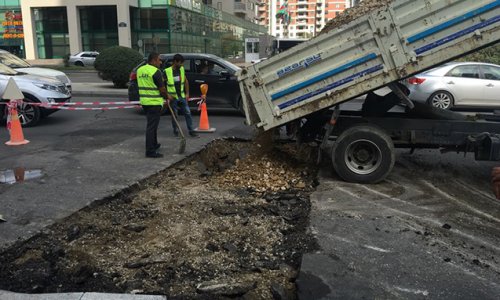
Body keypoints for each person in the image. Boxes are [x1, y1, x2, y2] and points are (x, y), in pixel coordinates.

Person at [137, 52, 168, 158]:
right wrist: (168, 97)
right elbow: (162, 89)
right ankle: (150, 151)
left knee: (152, 126)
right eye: (159, 60)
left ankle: (154, 144)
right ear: (153, 60)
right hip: (154, 103)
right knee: (151, 127)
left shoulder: (140, 70)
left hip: (145, 102)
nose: (160, 62)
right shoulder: (156, 72)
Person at [164, 54, 198, 137]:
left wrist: (187, 93)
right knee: (175, 115)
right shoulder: (167, 71)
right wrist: (167, 96)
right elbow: (162, 85)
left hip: (181, 96)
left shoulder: (181, 69)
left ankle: (191, 131)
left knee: (188, 113)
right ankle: (176, 131)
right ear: (175, 62)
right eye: (181, 63)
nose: (182, 65)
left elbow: (185, 81)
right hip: (173, 98)